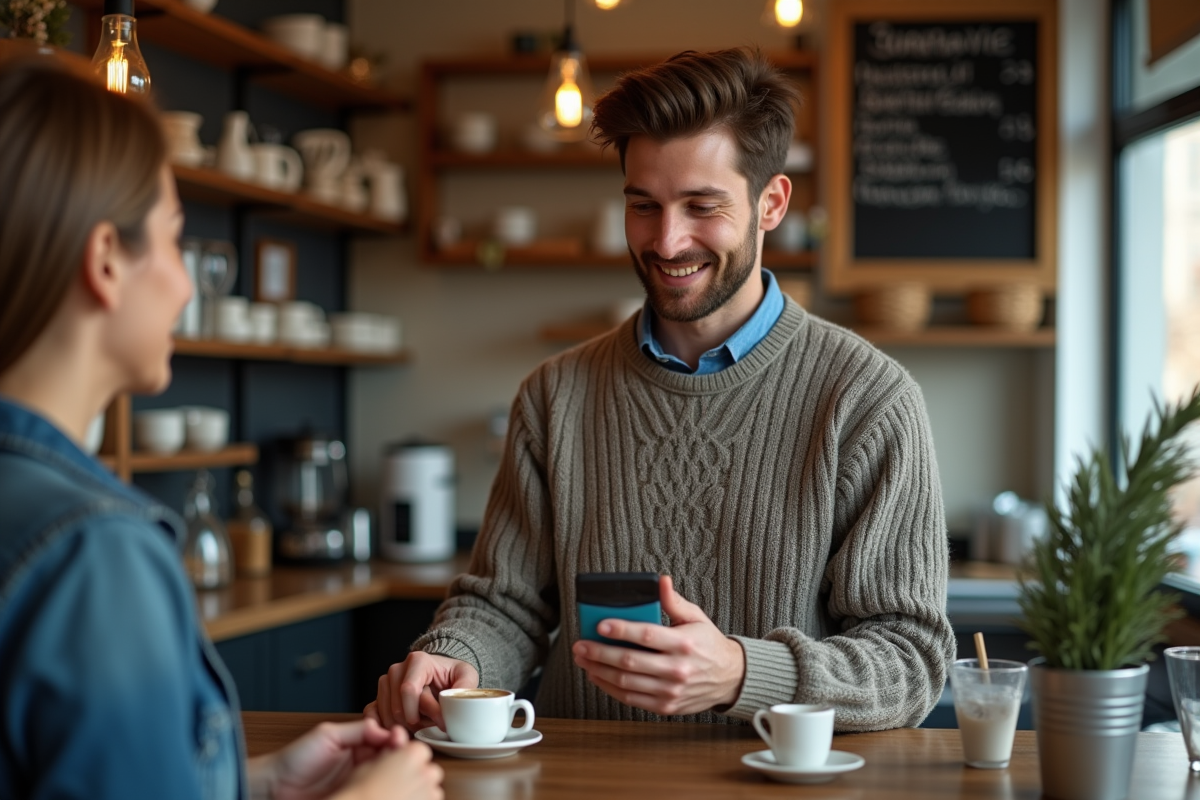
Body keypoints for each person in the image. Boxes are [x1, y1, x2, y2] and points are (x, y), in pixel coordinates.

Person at [367, 47, 955, 733]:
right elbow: (505, 606)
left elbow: (910, 661)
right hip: (576, 779)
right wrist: (456, 656)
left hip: (765, 780)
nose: (668, 241)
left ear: (771, 203)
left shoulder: (868, 400)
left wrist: (741, 672)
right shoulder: (555, 396)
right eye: (644, 206)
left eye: (702, 206)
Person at [0, 59, 443, 800]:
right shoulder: (93, 555)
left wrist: (253, 782)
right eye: (175, 241)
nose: (185, 287)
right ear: (105, 261)